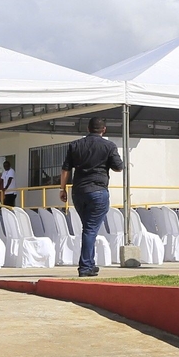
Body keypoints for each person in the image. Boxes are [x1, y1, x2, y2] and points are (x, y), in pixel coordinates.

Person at [59, 118, 123, 277]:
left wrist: (62, 189)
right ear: (104, 130)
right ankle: (85, 266)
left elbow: (65, 169)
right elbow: (118, 167)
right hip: (98, 191)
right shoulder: (109, 146)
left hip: (78, 192)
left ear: (88, 128)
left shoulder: (75, 145)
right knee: (90, 229)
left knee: (88, 228)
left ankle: (90, 264)